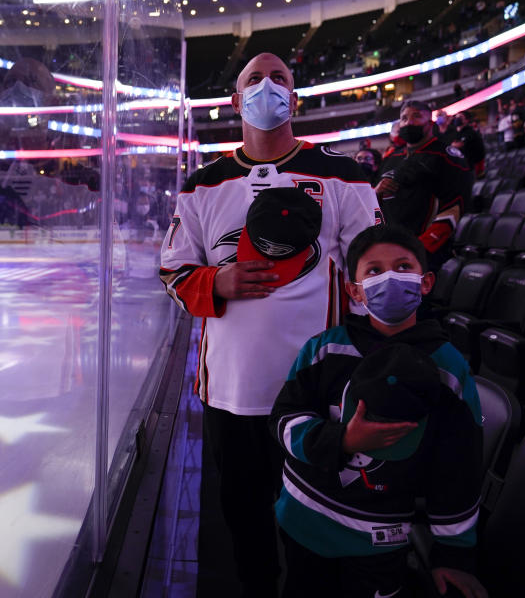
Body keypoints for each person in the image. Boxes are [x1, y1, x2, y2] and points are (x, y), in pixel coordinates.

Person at [159, 52, 380, 597]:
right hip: (230, 395)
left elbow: (370, 270)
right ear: (235, 102)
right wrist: (218, 282)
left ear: (295, 99)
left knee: (314, 529)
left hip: (316, 397)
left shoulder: (344, 175)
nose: (267, 86)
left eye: (279, 78)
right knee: (245, 527)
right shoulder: (201, 186)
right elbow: (172, 270)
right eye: (254, 79)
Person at [270, 224, 486, 598]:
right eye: (374, 270)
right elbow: (285, 419)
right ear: (354, 290)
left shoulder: (448, 370)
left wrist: (452, 554)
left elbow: (458, 467)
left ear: (426, 282)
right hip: (303, 522)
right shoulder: (324, 349)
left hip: (378, 539)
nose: (390, 277)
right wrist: (342, 440)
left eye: (404, 267)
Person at [375, 100, 471, 273]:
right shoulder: (391, 158)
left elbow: (454, 208)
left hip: (423, 254)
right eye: (404, 118)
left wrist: (422, 248)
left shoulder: (448, 156)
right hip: (386, 249)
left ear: (431, 124)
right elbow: (373, 203)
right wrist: (374, 194)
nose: (409, 122)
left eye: (416, 116)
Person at [449, 110, 486, 179]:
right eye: (456, 116)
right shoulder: (457, 132)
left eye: (460, 117)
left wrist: (453, 145)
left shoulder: (469, 132)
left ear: (466, 120)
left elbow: (459, 145)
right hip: (465, 165)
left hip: (473, 167)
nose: (457, 118)